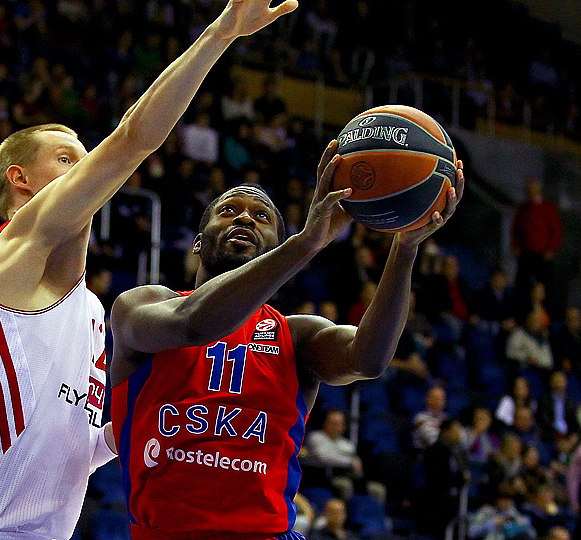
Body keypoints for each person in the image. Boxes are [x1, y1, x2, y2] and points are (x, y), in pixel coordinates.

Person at [0, 2, 300, 540]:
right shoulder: (13, 251)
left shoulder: (95, 313)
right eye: (68, 158)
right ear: (22, 180)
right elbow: (132, 141)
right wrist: (220, 33)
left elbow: (97, 437)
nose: (88, 164)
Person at [110, 139, 465, 538]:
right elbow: (196, 324)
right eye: (228, 211)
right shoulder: (141, 306)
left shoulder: (297, 335)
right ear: (198, 241)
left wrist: (405, 248)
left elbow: (369, 359)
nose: (244, 218)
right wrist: (306, 242)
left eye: (261, 217)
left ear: (272, 252)